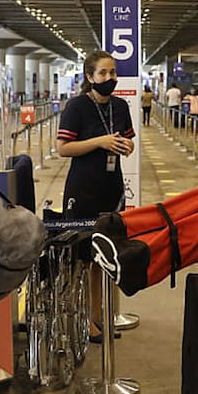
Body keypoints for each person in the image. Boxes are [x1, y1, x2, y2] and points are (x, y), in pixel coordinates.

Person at [55, 50, 136, 340]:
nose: (109, 78)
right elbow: (63, 148)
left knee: (108, 257)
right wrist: (100, 141)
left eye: (113, 72)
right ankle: (86, 318)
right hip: (83, 190)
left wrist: (127, 146)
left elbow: (128, 140)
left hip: (111, 189)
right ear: (90, 77)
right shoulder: (77, 107)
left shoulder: (120, 106)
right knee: (86, 258)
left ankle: (102, 316)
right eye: (103, 73)